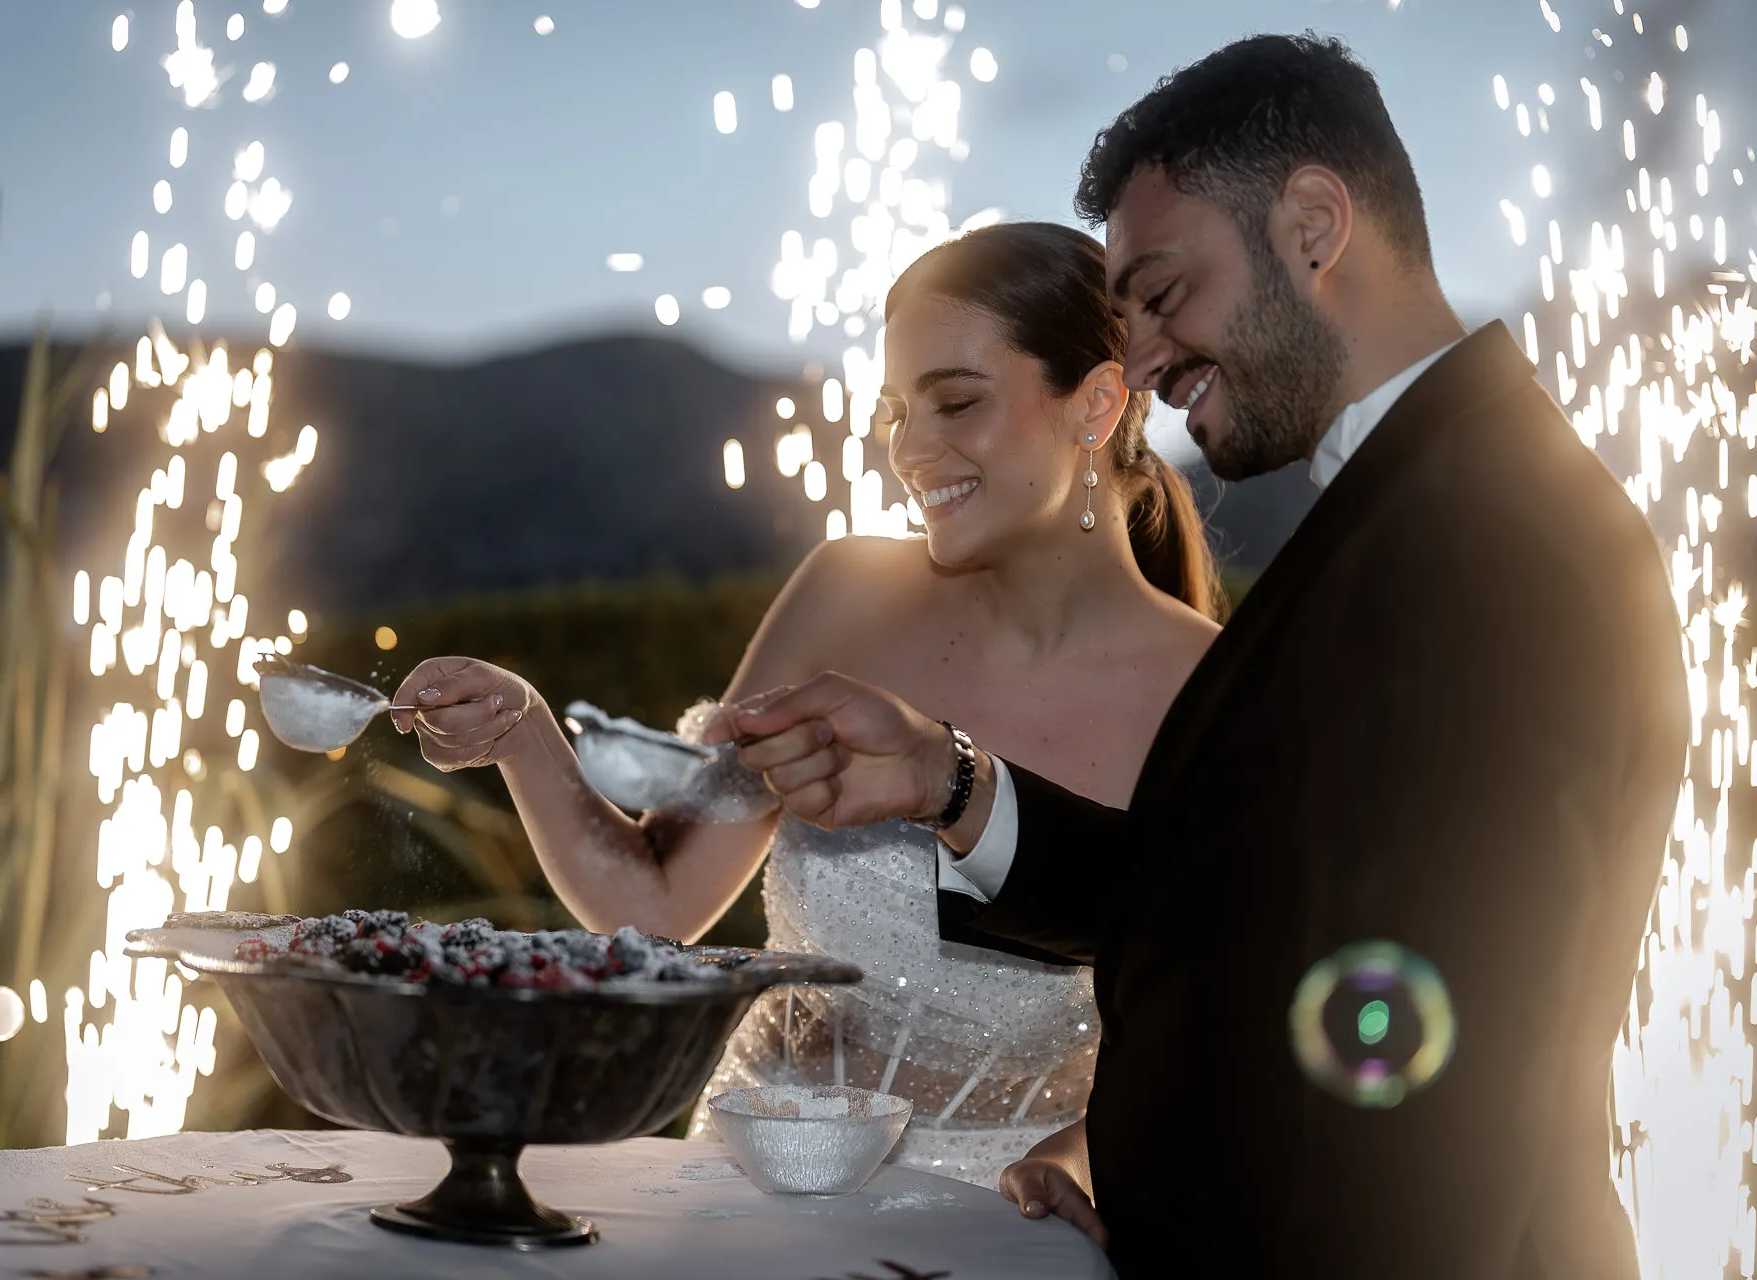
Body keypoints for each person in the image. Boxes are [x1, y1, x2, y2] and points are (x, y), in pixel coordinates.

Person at [706, 34, 1687, 1279]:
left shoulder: (1497, 536)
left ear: (1314, 225)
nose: (1150, 360)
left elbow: (1453, 1066)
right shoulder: (1403, 510)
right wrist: (951, 785)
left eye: (1164, 294)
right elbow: (1256, 902)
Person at [386, 221, 1222, 1185]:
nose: (912, 449)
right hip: (752, 1188)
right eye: (896, 412)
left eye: (955, 402)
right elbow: (653, 902)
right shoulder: (846, 591)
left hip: (1013, 1219)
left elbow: (1211, 1027)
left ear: (1098, 403)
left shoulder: (1211, 693)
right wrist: (524, 730)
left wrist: (1085, 1155)